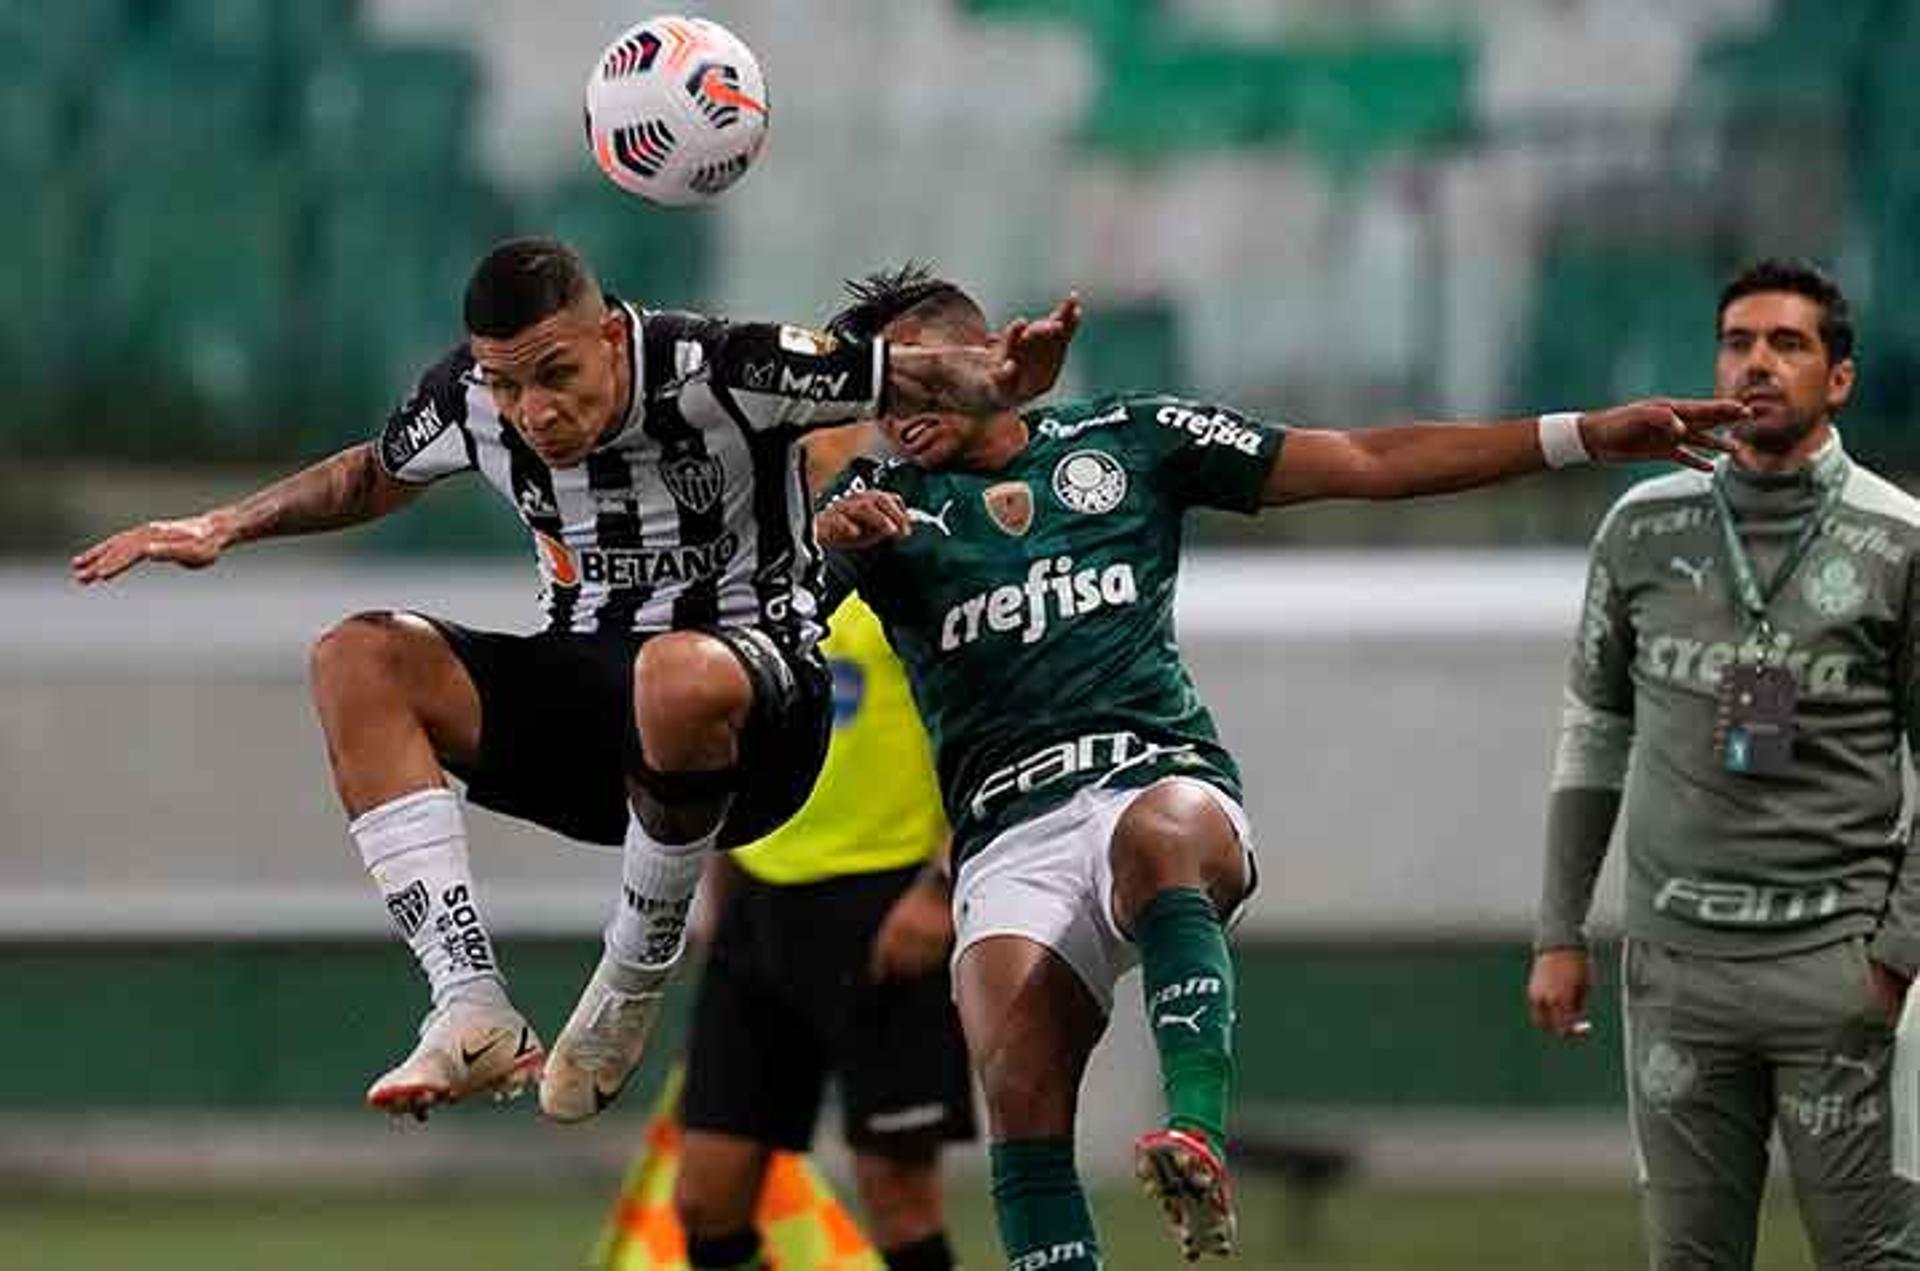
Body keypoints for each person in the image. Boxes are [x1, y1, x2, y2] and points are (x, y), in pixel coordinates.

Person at [812, 264, 1747, 1266]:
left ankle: (1197, 1134)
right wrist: (820, 541)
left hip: (1154, 770)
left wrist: (1584, 434)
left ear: (988, 355)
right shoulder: (879, 504)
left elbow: (1364, 457)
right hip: (1007, 828)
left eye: (921, 383)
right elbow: (766, 615)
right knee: (1017, 1072)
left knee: (1161, 834)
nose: (899, 416)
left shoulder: (1131, 438)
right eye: (884, 396)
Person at [69, 238, 1078, 1126]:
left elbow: (904, 375)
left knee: (674, 673)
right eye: (508, 386)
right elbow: (371, 472)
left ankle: (631, 979)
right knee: (355, 653)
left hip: (759, 706)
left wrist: (1000, 375)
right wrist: (222, 525)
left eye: (554, 375)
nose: (532, 412)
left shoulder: (723, 364)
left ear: (611, 339)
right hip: (597, 715)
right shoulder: (471, 397)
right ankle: (469, 1005)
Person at [1527, 258, 1920, 1268]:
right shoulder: (1641, 525)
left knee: (1878, 1256)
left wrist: (1893, 958)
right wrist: (1559, 928)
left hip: (1838, 965)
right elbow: (1593, 729)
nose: (1757, 362)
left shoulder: (1898, 537)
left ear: (1838, 378)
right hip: (1677, 970)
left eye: (1787, 343)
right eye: (1739, 340)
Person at [668, 421, 973, 1271]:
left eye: (823, 413)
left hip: (883, 906)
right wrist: (714, 881)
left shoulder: (914, 559)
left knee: (899, 1196)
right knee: (706, 1194)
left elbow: (981, 734)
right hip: (760, 901)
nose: (799, 433)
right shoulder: (741, 571)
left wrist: (942, 889)